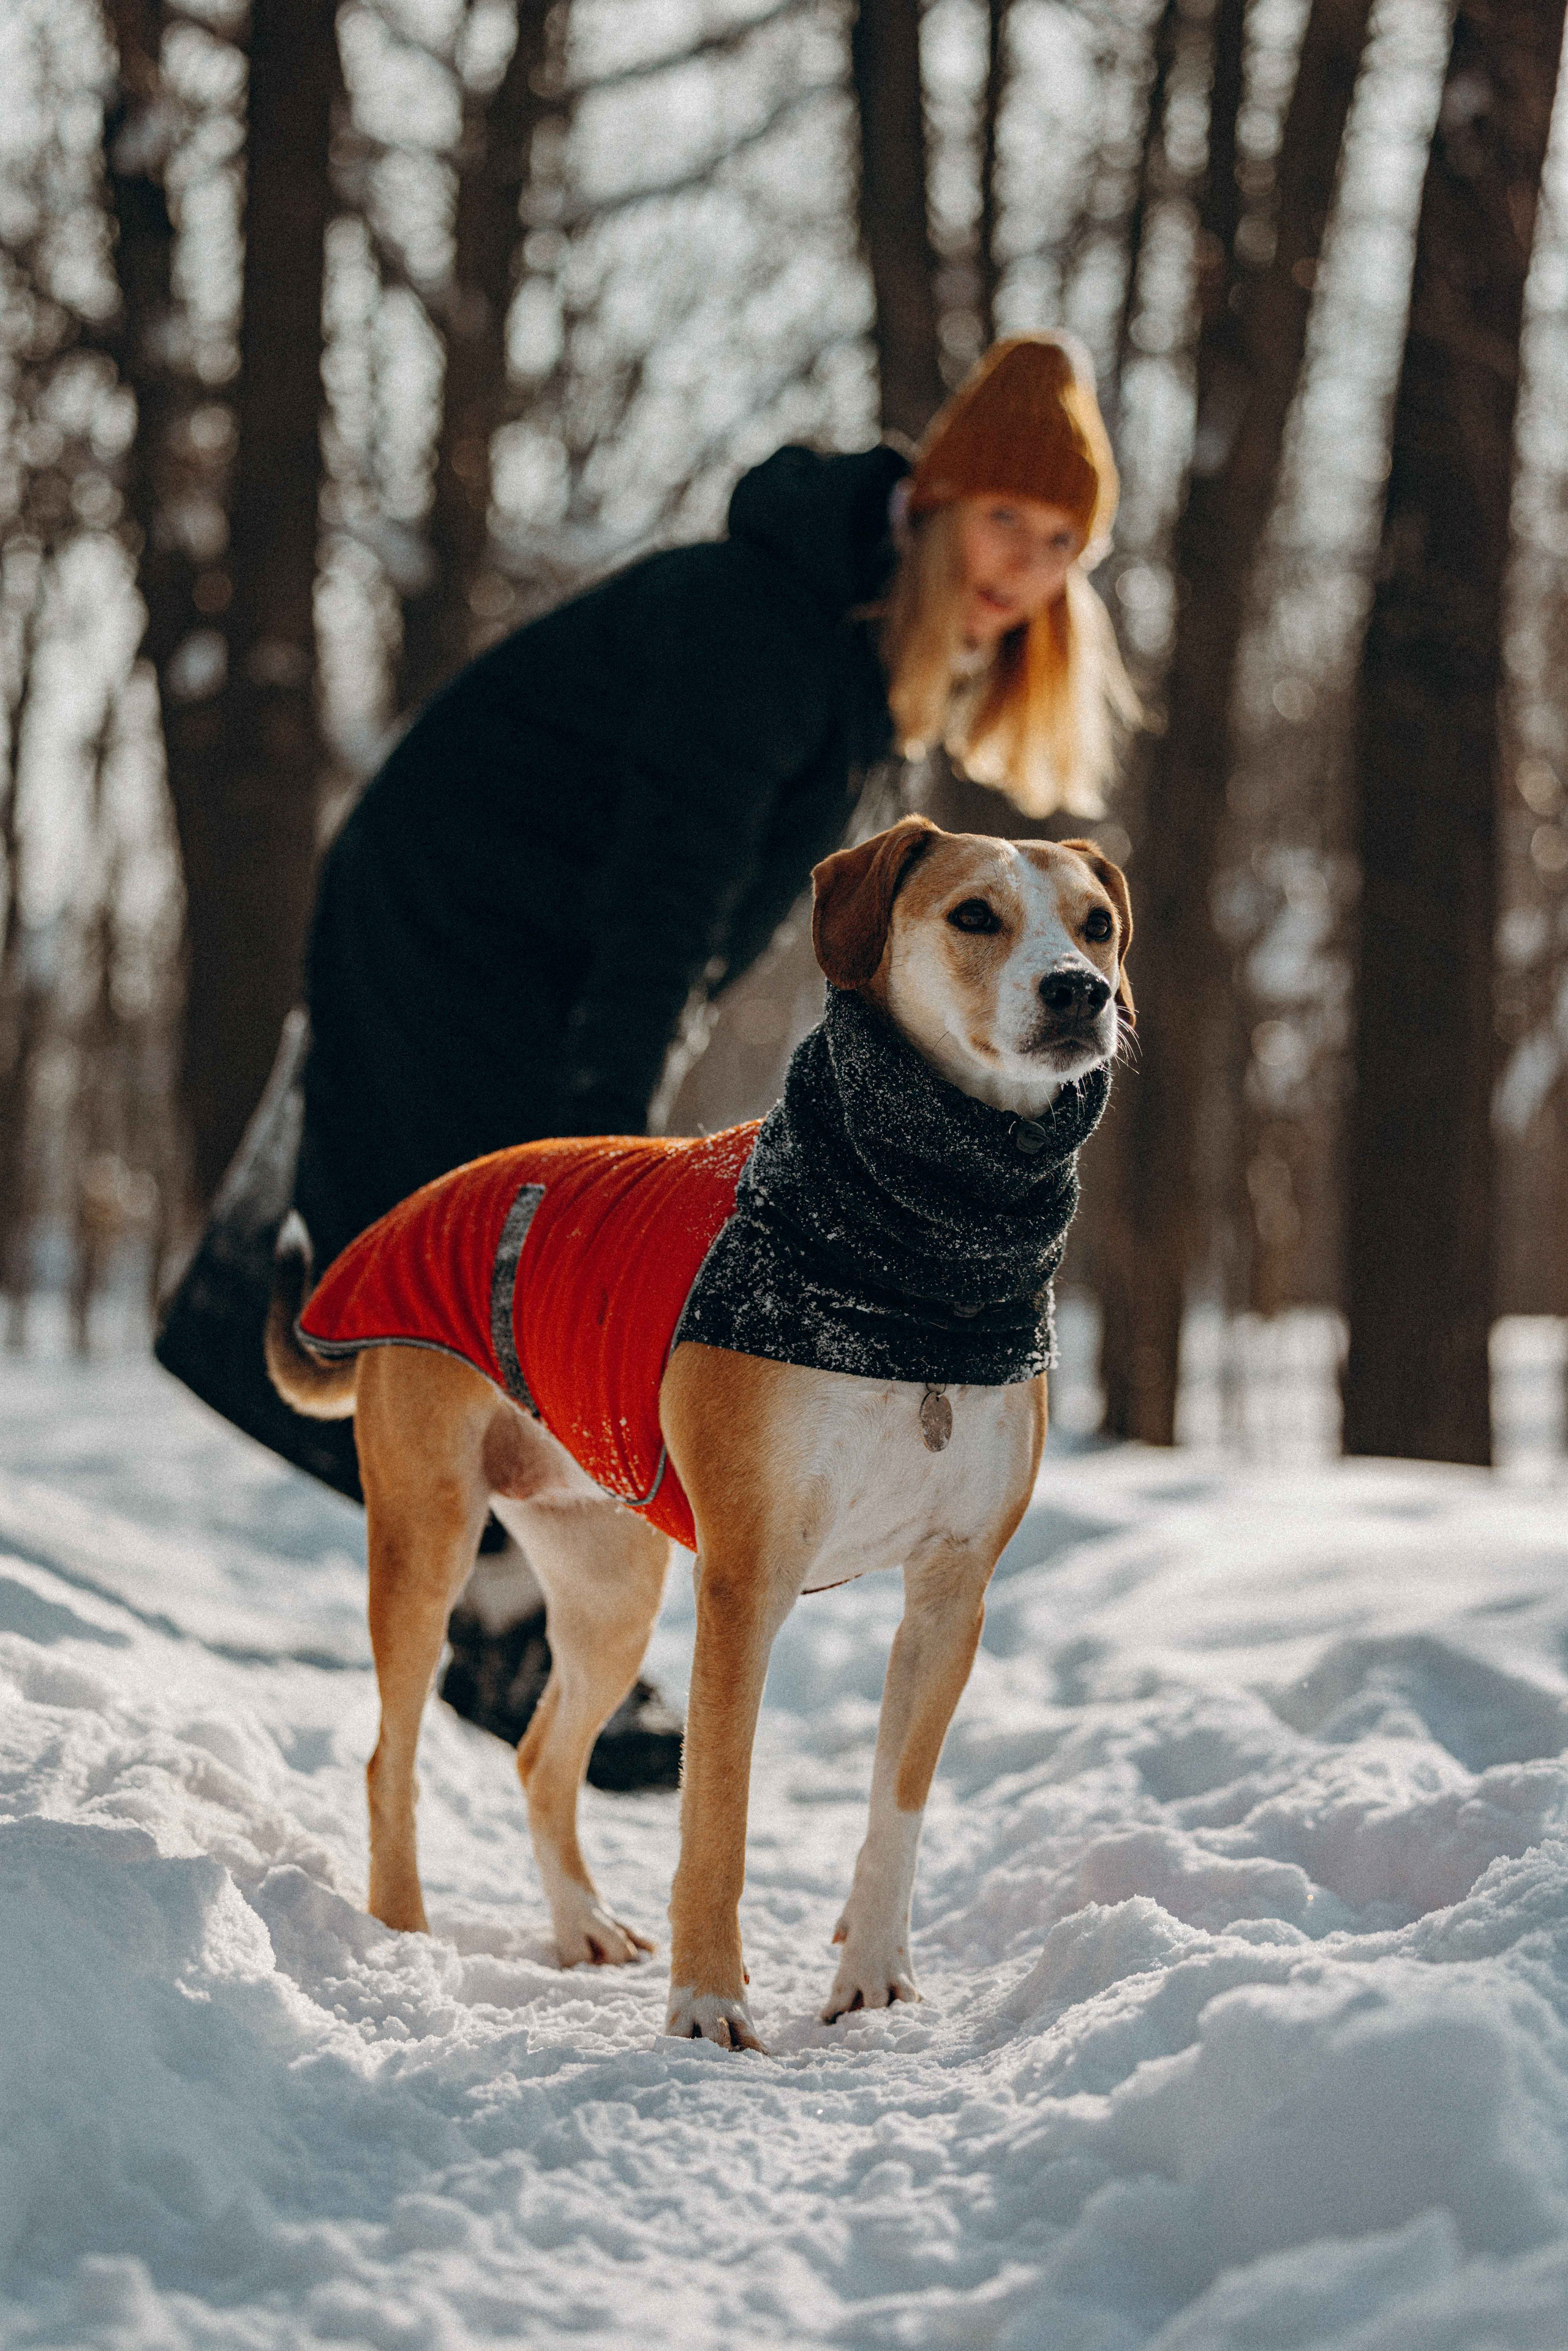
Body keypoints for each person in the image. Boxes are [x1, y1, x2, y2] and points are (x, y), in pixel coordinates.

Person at [156, 332, 1133, 1784]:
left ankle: (507, 1597)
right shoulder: (769, 626)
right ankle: (503, 1624)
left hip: (521, 931)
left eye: (1060, 543)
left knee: (496, 1244)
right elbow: (664, 902)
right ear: (934, 499)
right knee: (490, 1241)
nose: (1024, 566)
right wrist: (603, 1135)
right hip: (452, 916)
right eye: (1005, 518)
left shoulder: (853, 646)